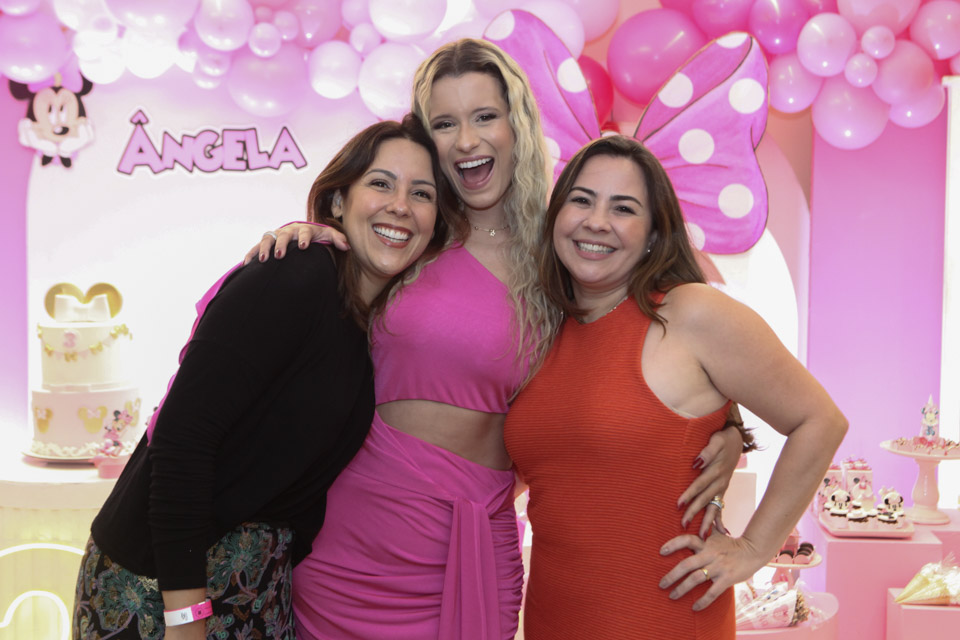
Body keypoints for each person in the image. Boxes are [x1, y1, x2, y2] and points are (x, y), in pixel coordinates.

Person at [248, 39, 748, 640]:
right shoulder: (412, 229)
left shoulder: (567, 244)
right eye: (444, 124)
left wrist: (725, 429)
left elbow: (661, 336)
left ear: (518, 123)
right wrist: (306, 234)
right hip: (360, 530)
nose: (466, 140)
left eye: (485, 116)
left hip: (478, 532)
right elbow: (329, 291)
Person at [71, 115, 454, 640]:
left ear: (435, 223)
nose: (400, 206)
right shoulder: (295, 274)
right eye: (381, 183)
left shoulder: (367, 324)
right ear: (339, 200)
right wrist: (186, 619)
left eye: (422, 193)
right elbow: (182, 442)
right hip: (160, 586)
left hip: (254, 591)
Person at [503, 135, 848, 639]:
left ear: (651, 235)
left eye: (623, 208)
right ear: (556, 217)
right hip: (556, 614)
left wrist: (753, 549)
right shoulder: (541, 331)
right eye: (581, 199)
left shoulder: (689, 312)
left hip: (662, 614)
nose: (596, 221)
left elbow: (820, 421)